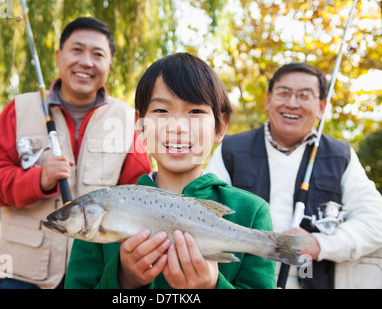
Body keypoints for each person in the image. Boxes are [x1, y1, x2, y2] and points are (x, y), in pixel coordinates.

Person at [65, 52, 277, 289]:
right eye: (161, 111)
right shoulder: (97, 211)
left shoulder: (251, 212)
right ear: (140, 124)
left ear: (221, 127)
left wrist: (212, 286)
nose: (177, 127)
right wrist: (124, 280)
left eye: (195, 112)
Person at [0, 17, 152, 289]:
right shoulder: (19, 109)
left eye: (98, 54)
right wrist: (39, 180)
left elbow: (141, 192)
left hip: (94, 274)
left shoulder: (129, 120)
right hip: (21, 274)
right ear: (59, 56)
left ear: (109, 64)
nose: (86, 61)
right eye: (77, 50)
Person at [206, 62, 382, 289]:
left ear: (321, 106)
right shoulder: (231, 149)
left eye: (304, 95)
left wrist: (321, 244)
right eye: (284, 93)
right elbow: (205, 212)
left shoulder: (340, 155)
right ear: (268, 100)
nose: (292, 103)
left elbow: (376, 220)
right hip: (243, 283)